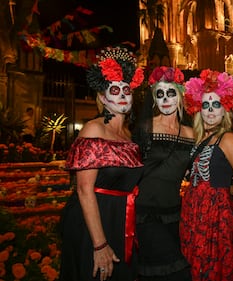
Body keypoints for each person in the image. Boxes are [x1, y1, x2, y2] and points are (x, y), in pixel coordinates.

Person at [59, 46, 145, 281]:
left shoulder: (129, 135)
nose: (121, 95)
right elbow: (84, 189)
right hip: (94, 224)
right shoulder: (94, 129)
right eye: (114, 90)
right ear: (102, 97)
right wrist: (99, 245)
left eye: (126, 90)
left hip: (121, 221)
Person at [180, 69, 233, 281]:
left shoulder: (227, 138)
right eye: (205, 105)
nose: (211, 110)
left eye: (216, 105)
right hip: (192, 213)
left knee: (213, 269)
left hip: (216, 215)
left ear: (225, 110)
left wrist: (223, 190)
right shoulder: (197, 139)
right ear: (198, 109)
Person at [131, 66, 194, 281]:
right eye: (160, 94)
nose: (166, 99)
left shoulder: (191, 133)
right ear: (154, 100)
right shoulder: (144, 128)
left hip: (174, 213)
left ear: (180, 96)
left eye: (171, 93)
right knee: (171, 270)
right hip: (146, 213)